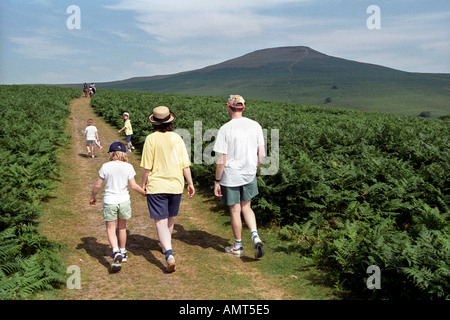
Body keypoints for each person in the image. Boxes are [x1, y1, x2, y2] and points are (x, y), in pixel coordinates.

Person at [141, 106, 195, 273]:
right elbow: (185, 164)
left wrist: (143, 183)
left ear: (154, 123)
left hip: (157, 185)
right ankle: (166, 246)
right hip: (175, 184)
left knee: (160, 220)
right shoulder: (177, 138)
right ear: (170, 122)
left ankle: (169, 253)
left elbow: (146, 166)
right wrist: (190, 183)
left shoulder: (150, 139)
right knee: (170, 217)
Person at [213, 95, 266, 259]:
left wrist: (217, 181)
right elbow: (262, 155)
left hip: (230, 176)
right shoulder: (255, 125)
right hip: (249, 174)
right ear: (243, 108)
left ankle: (238, 246)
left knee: (235, 211)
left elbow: (221, 159)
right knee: (247, 207)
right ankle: (255, 235)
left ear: (229, 108)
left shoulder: (225, 129)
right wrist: (253, 168)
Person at [90, 142, 146, 273]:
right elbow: (133, 186)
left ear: (111, 153)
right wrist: (144, 193)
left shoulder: (105, 166)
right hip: (124, 200)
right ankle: (123, 251)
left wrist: (93, 197)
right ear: (124, 153)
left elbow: (98, 185)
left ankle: (115, 251)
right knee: (122, 227)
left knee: (110, 228)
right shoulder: (128, 167)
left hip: (110, 200)